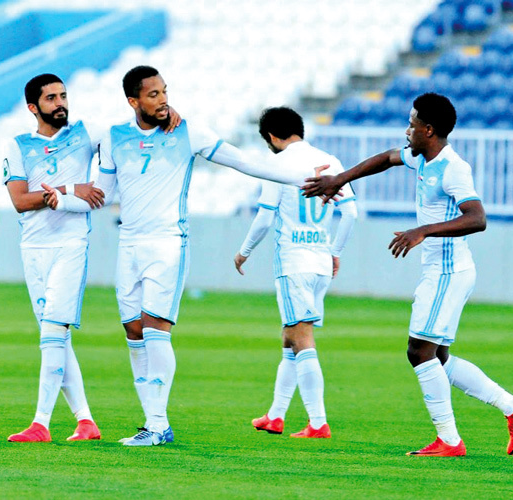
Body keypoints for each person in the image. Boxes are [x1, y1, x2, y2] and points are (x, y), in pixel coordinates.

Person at [44, 66, 318, 446]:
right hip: (130, 244)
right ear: (133, 101)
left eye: (164, 92)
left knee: (156, 328)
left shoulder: (189, 132)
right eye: (153, 94)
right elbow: (101, 194)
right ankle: (152, 421)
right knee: (133, 331)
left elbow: (243, 162)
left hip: (168, 242)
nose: (162, 100)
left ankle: (157, 424)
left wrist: (302, 180)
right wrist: (61, 201)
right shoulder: (114, 137)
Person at [302, 92, 513, 456]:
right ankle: (512, 409)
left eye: (412, 124)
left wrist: (423, 230)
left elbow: (477, 218)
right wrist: (340, 179)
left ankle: (449, 441)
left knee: (418, 352)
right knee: (438, 358)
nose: (407, 130)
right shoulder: (421, 158)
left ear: (428, 130)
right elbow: (386, 159)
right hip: (441, 271)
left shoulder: (453, 168)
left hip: (449, 271)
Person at [233, 107, 358, 439]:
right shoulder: (330, 160)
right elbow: (351, 214)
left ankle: (318, 422)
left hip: (293, 263)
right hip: (319, 263)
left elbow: (264, 218)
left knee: (300, 339)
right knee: (289, 337)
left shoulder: (279, 165)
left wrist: (244, 252)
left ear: (272, 137)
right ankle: (275, 415)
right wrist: (335, 252)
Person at [2, 74, 105, 443]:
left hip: (71, 244)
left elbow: (131, 133)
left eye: (63, 96)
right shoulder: (19, 146)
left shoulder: (86, 134)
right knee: (56, 337)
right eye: (51, 98)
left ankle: (41, 424)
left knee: (51, 334)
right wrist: (67, 188)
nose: (60, 103)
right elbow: (19, 201)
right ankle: (85, 420)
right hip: (33, 249)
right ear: (33, 107)